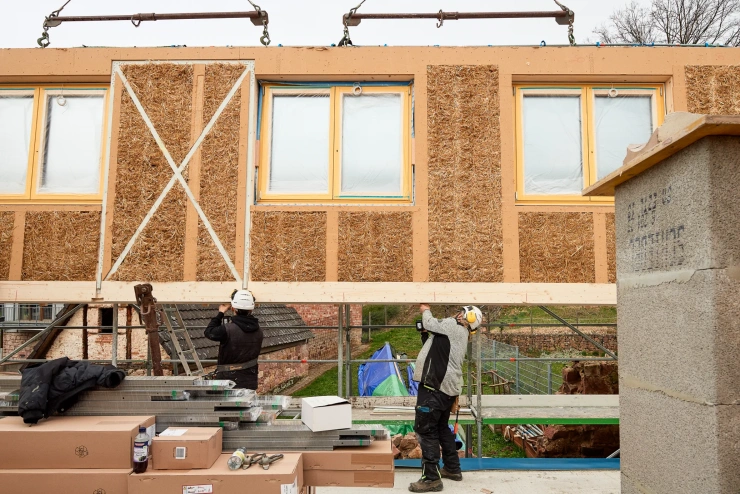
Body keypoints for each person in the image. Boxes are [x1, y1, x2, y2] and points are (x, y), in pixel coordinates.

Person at [408, 304, 483, 493]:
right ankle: (452, 468)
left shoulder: (453, 327)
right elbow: (435, 343)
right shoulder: (459, 333)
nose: (457, 314)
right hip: (445, 389)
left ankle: (431, 479)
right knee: (441, 428)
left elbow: (429, 321)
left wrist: (425, 309)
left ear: (468, 317)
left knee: (426, 431)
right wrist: (427, 333)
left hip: (434, 388)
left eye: (461, 312)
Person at [204, 289, 263, 390]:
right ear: (251, 309)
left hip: (228, 382)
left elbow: (209, 332)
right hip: (249, 379)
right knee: (247, 404)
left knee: (227, 405)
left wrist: (221, 313)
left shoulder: (227, 330)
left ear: (233, 308)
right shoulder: (258, 331)